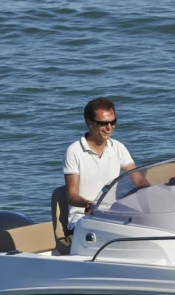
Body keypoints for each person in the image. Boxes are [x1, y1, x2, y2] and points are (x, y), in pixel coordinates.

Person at [62, 97, 148, 229]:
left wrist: (157, 194)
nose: (109, 128)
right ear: (89, 122)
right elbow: (72, 196)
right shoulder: (74, 151)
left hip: (112, 216)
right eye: (103, 123)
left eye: (113, 122)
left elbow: (138, 180)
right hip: (81, 219)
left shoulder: (118, 147)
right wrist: (89, 205)